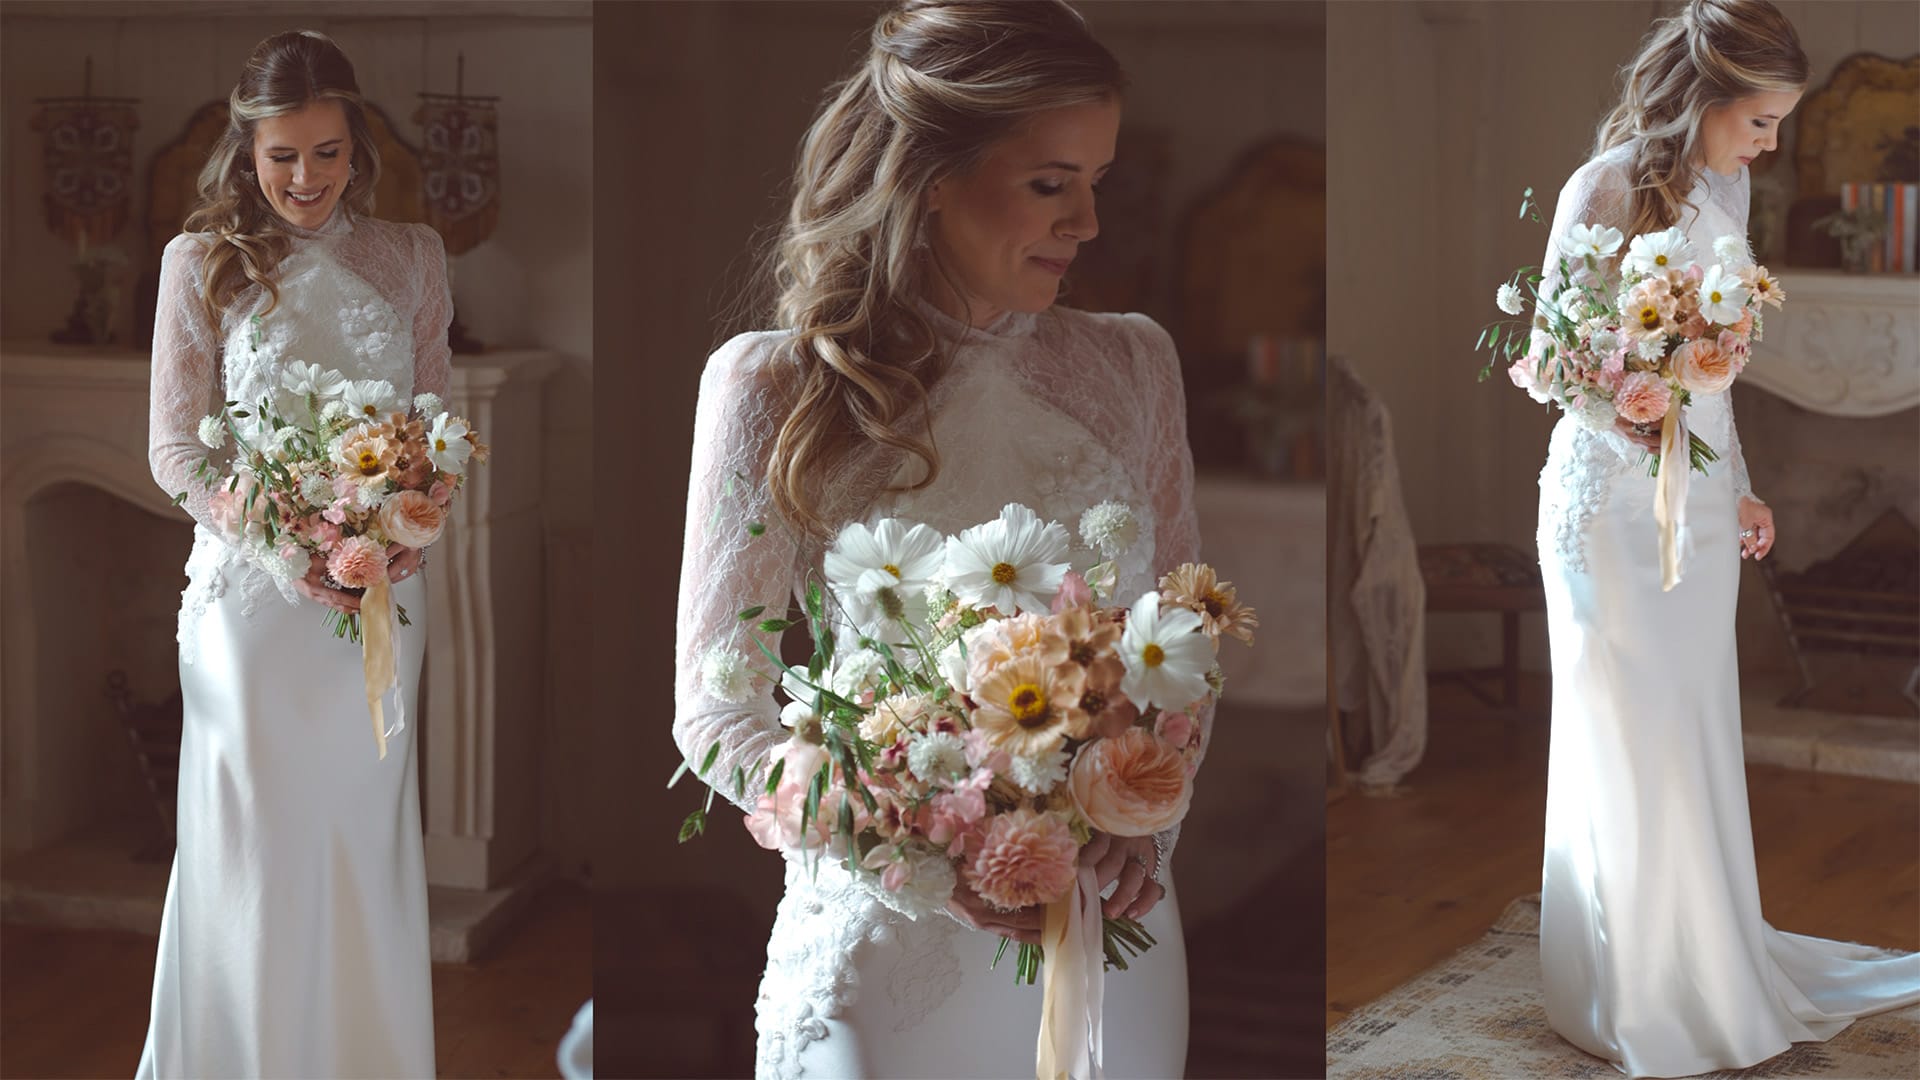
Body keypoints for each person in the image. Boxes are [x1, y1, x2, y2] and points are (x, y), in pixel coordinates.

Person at [669, 2, 1203, 1075]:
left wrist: (1142, 826)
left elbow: (1178, 636)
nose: (1088, 223)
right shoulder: (773, 386)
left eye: (1097, 181)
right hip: (888, 942)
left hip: (1106, 927)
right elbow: (718, 712)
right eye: (1051, 183)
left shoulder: (1135, 366)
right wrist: (916, 856)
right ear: (927, 175)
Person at [1529, 1, 1920, 1075]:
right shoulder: (1601, 188)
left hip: (1696, 507)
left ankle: (1697, 960)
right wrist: (1639, 398)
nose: (1770, 144)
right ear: (1705, 99)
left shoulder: (1731, 188)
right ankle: (1624, 985)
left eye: (1781, 124)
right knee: (1626, 735)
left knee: (1692, 731)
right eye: (1759, 122)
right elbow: (1553, 360)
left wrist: (1737, 488)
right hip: (1606, 503)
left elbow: (1722, 372)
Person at [141, 29, 448, 1079]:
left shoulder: (412, 257)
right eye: (283, 157)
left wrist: (408, 518)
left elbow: (435, 428)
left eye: (326, 153)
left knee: (355, 840)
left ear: (356, 146)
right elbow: (175, 448)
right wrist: (279, 531)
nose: (306, 179)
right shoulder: (201, 262)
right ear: (248, 152)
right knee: (253, 846)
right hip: (250, 610)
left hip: (375, 603)